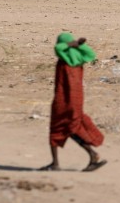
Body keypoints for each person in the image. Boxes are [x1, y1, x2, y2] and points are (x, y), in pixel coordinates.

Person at [40, 32, 107, 172]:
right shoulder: (79, 62)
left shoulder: (64, 61)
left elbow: (58, 48)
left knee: (57, 129)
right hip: (77, 100)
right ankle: (91, 155)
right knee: (72, 128)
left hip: (63, 101)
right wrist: (78, 44)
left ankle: (56, 163)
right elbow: (90, 53)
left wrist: (72, 44)